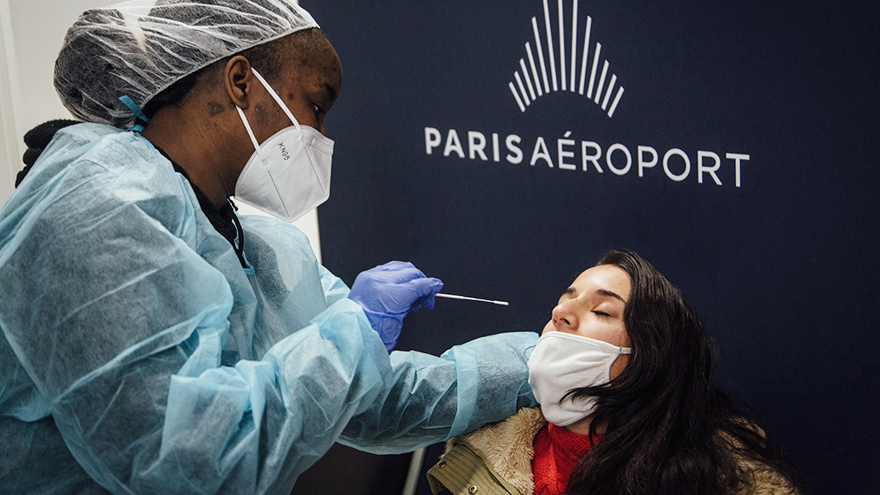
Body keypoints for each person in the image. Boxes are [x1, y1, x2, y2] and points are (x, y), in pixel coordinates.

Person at [0, 1, 537, 493]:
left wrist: (530, 367)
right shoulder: (100, 207)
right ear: (240, 81)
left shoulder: (248, 247)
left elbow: (368, 401)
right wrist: (354, 331)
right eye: (317, 107)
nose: (322, 137)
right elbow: (183, 462)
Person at [427, 249, 804, 495]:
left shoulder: (722, 478)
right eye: (564, 301)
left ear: (649, 357)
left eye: (602, 311)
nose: (560, 314)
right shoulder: (480, 453)